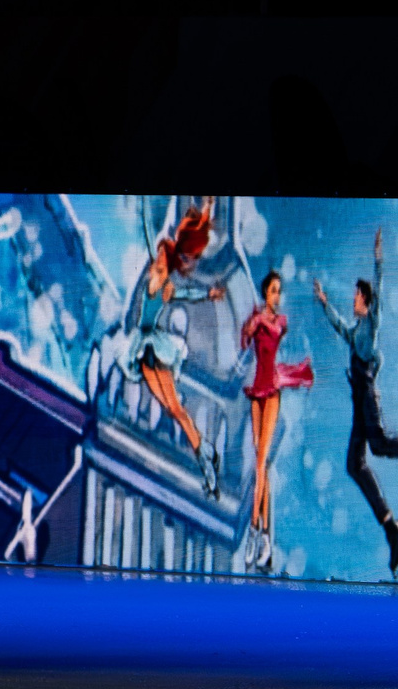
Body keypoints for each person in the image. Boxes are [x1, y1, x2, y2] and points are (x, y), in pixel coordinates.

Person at [113, 197, 227, 494]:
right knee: (171, 409)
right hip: (142, 348)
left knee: (176, 408)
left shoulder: (167, 284)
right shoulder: (158, 263)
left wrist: (208, 295)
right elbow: (150, 230)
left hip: (153, 346)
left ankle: (206, 460)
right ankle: (206, 451)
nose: (160, 257)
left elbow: (188, 293)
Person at [314, 229, 398, 577]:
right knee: (354, 463)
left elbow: (378, 284)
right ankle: (393, 530)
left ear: (366, 299)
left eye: (356, 296)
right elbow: (338, 325)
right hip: (358, 404)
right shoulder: (354, 329)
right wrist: (323, 302)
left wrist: (378, 257)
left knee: (377, 447)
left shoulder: (371, 325)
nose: (354, 300)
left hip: (368, 403)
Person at [238, 270, 312, 571]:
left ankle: (254, 531)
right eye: (273, 292)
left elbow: (276, 329)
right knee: (261, 464)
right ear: (265, 293)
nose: (277, 297)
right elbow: (244, 342)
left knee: (260, 464)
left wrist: (259, 320)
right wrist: (249, 325)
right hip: (256, 389)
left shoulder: (278, 321)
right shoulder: (258, 318)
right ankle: (267, 537)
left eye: (279, 292)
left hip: (272, 392)